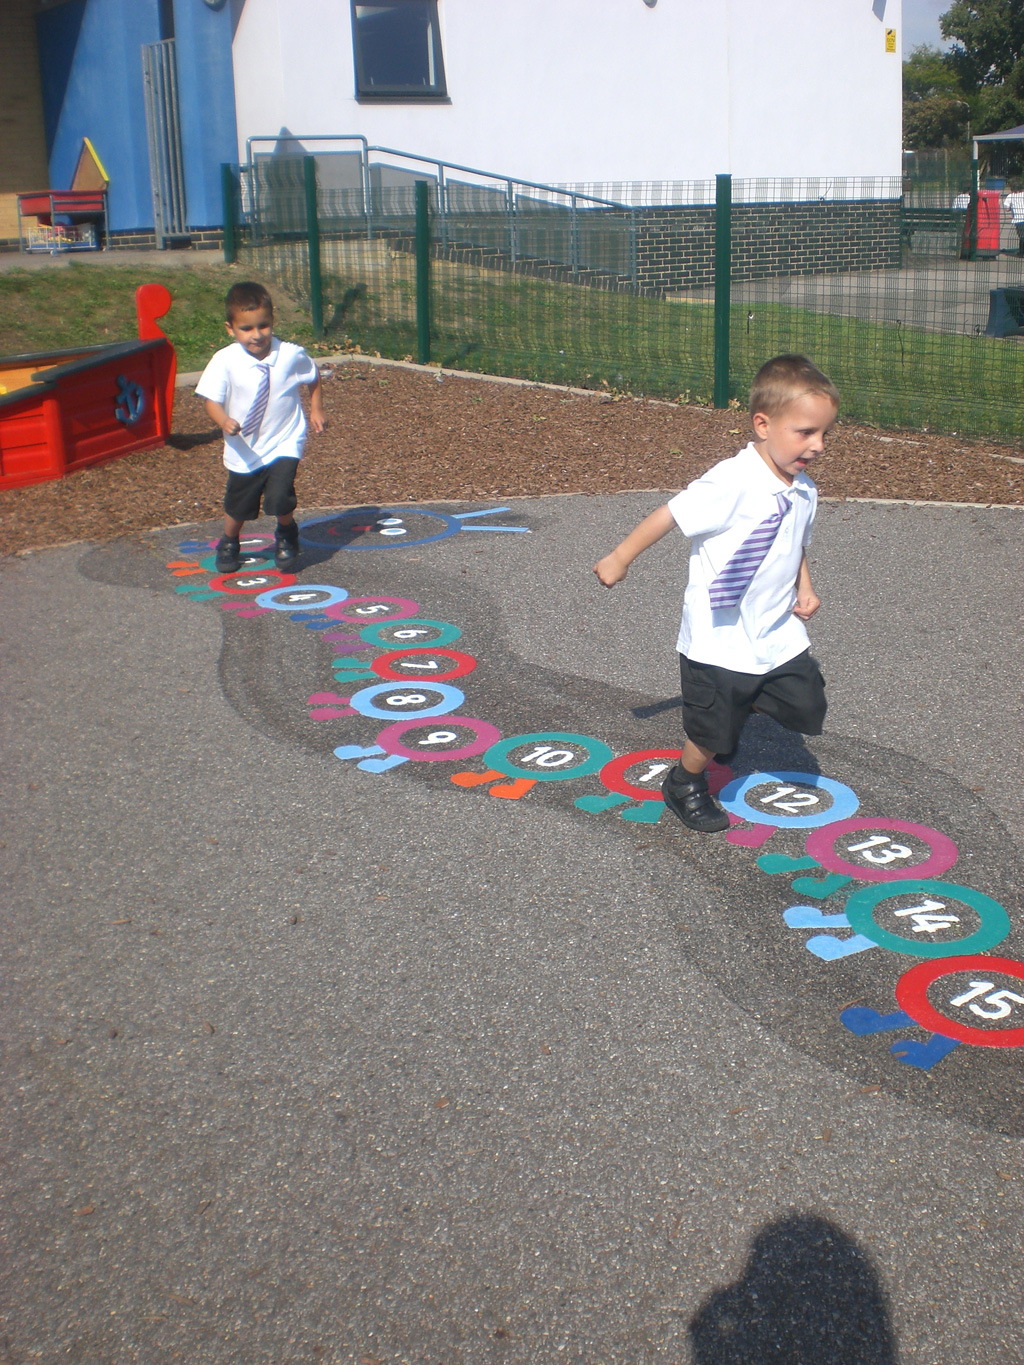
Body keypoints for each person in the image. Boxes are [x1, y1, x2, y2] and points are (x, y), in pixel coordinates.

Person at [593, 354, 838, 833]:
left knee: (808, 707)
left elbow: (794, 542)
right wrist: (620, 557)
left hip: (774, 630)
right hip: (717, 636)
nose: (819, 446)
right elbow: (670, 515)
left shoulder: (803, 490)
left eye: (826, 434)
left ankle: (739, 705)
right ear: (763, 424)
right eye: (806, 432)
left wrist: (805, 586)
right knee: (711, 733)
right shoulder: (731, 481)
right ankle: (684, 782)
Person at [196, 281, 326, 573]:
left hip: (284, 439)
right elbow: (210, 401)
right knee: (239, 504)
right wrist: (223, 421)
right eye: (246, 329)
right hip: (244, 446)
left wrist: (316, 408)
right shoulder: (225, 360)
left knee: (280, 495)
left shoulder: (290, 354)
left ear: (272, 322)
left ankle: (286, 533)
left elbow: (313, 376)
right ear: (230, 329)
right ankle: (229, 540)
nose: (257, 335)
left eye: (263, 326)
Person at [1003, 186, 1024, 254]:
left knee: (1022, 236)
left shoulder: (1010, 196)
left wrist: (1012, 208)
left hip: (1018, 219)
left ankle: (1021, 252)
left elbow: (1006, 208)